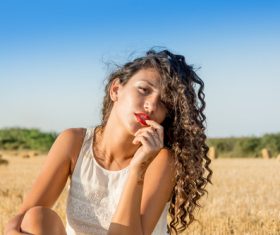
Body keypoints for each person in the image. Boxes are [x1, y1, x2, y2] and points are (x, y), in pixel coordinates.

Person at [5, 49, 212, 235]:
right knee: (35, 219)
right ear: (115, 90)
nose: (150, 106)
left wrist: (138, 169)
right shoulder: (73, 142)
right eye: (144, 90)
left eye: (163, 102)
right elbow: (20, 220)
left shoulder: (162, 161)